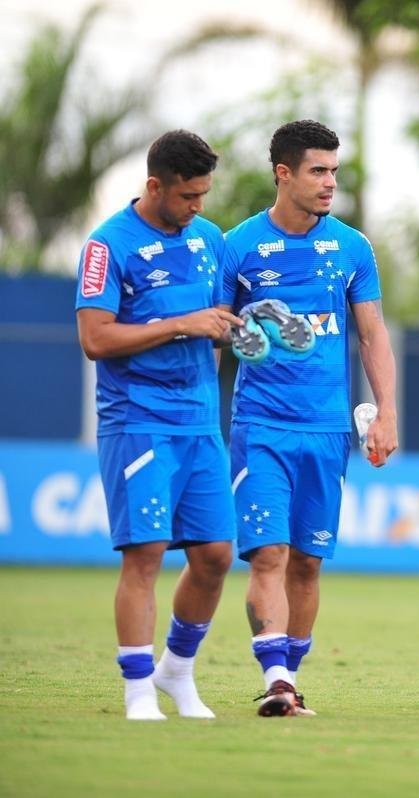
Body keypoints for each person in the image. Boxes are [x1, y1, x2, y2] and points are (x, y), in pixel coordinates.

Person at [219, 119, 398, 717]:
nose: (329, 183)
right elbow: (215, 331)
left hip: (327, 430)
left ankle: (288, 679)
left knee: (307, 562)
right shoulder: (238, 246)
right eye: (318, 171)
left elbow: (371, 334)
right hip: (261, 426)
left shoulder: (352, 248)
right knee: (268, 554)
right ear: (283, 173)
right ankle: (275, 678)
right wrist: (241, 335)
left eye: (334, 172)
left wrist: (387, 413)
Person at [75, 130, 242, 720]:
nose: (198, 205)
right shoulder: (107, 245)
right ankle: (138, 690)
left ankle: (177, 672)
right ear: (154, 186)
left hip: (200, 422)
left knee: (216, 554)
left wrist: (239, 333)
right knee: (144, 554)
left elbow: (214, 325)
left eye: (204, 194)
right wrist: (181, 324)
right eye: (188, 196)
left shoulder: (209, 239)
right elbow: (95, 339)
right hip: (137, 420)